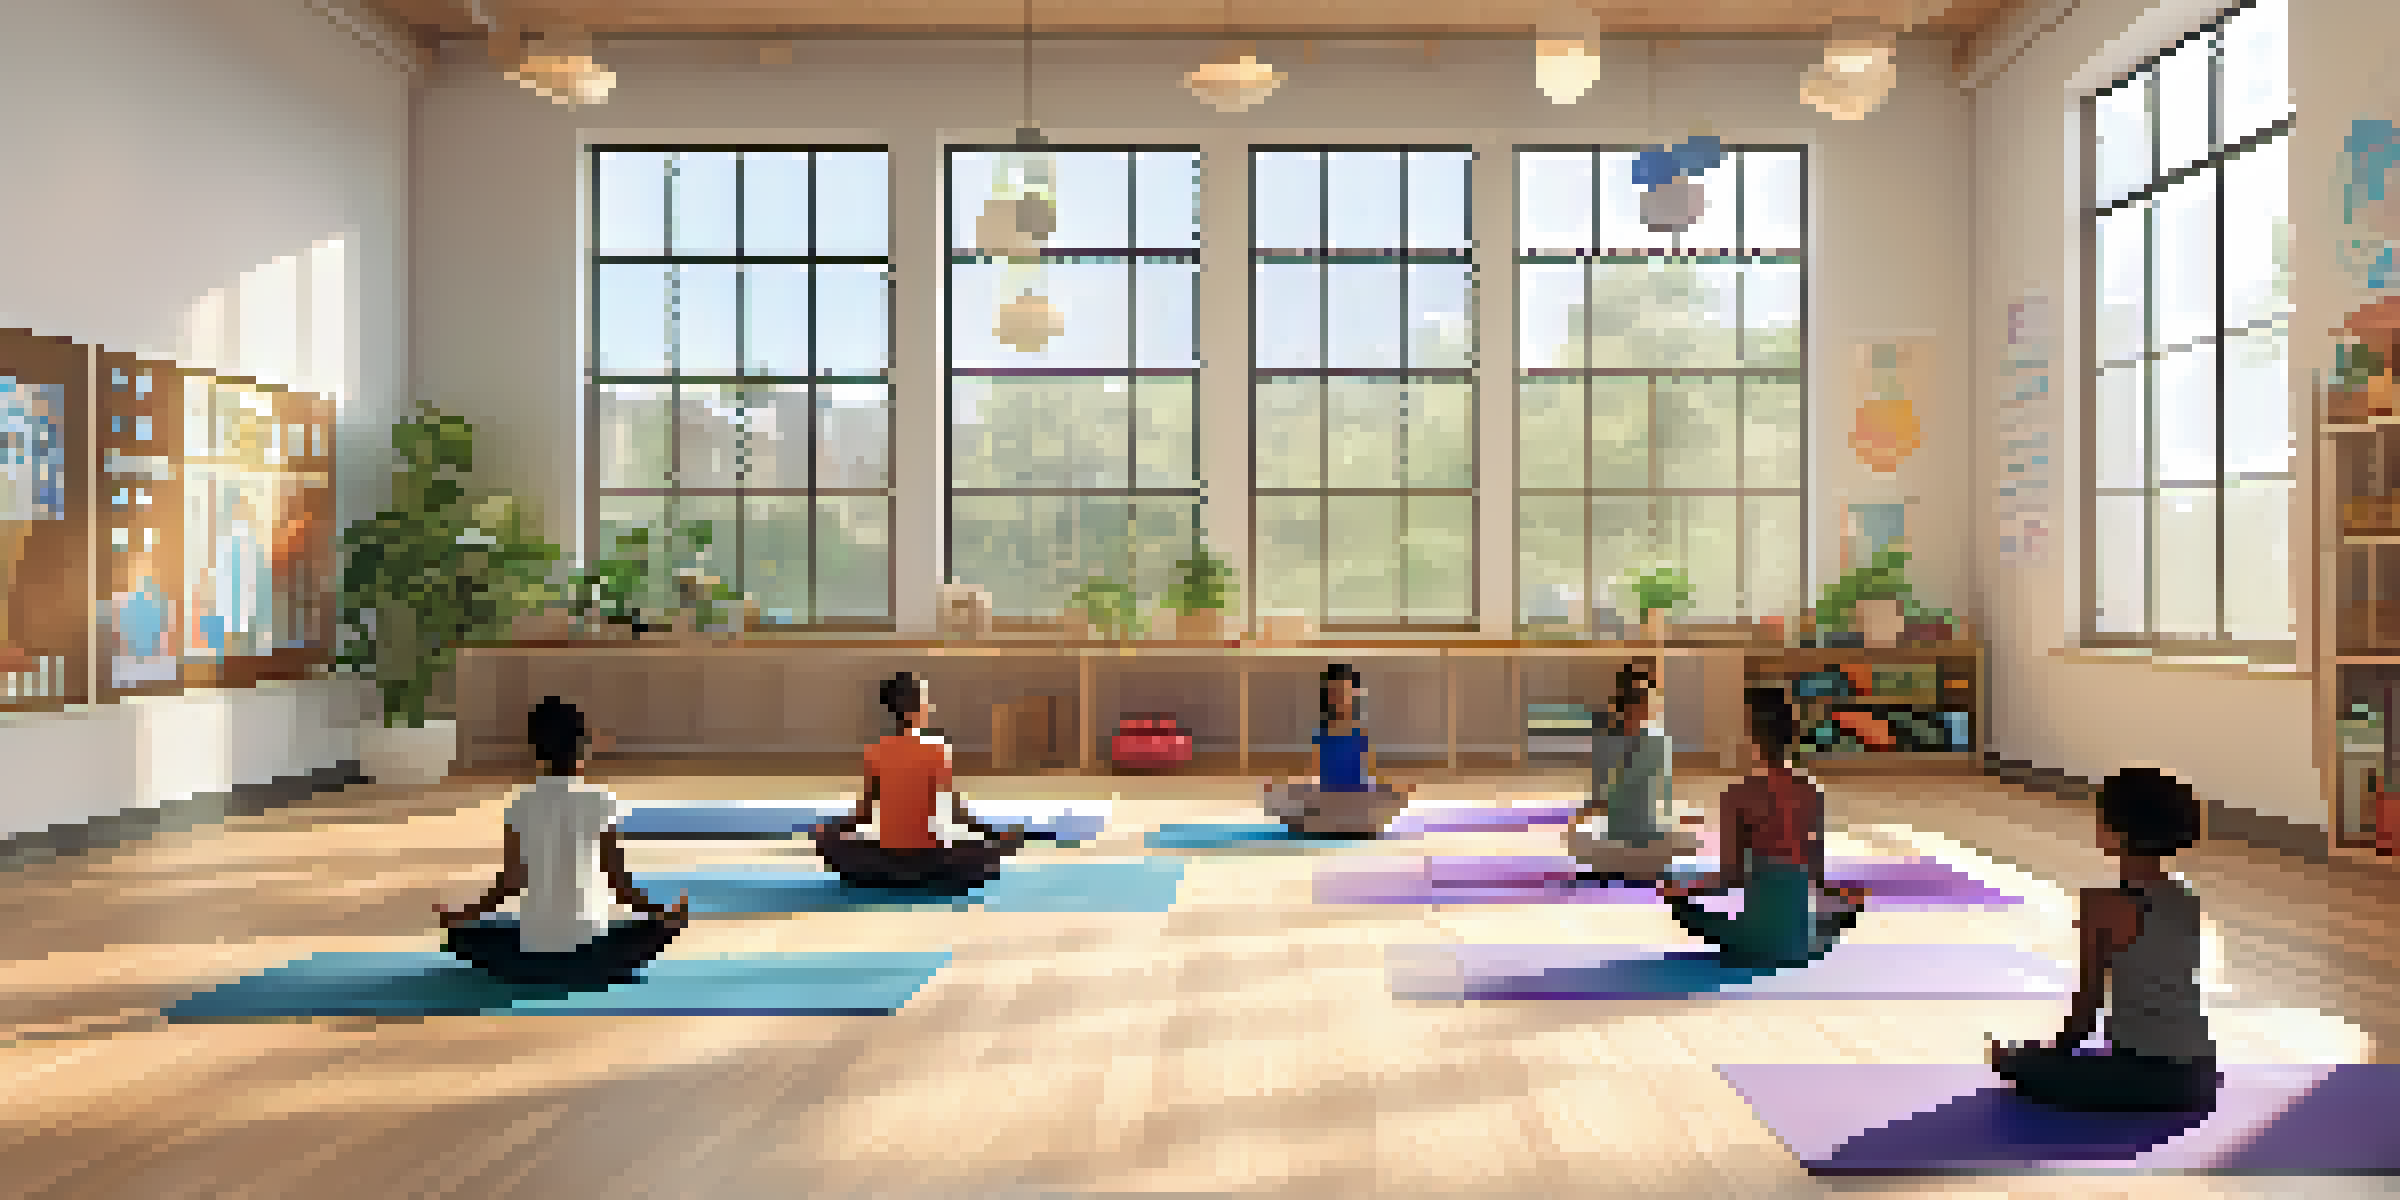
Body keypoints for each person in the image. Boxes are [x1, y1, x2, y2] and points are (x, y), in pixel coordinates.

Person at [1987, 766, 2219, 1112]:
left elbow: (2085, 1012)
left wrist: (2041, 1059)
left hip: (2148, 1079)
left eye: (2101, 818)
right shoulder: (2186, 896)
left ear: (2117, 833)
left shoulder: (2102, 905)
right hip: (2201, 1074)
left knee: (2014, 1062)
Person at [436, 696, 689, 987]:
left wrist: (463, 915)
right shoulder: (602, 802)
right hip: (595, 951)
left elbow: (511, 882)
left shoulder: (520, 805)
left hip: (533, 950)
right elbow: (619, 885)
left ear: (536, 753)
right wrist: (663, 914)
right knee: (658, 928)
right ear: (582, 748)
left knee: (466, 935)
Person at [1659, 687, 1867, 968]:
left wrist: (1682, 888)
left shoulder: (1738, 794)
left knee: (1681, 901)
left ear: (1752, 738)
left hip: (1753, 942)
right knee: (1849, 908)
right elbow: (1816, 879)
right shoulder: (1810, 791)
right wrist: (1845, 895)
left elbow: (1729, 879)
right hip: (1799, 943)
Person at [814, 672, 1024, 892]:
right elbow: (954, 812)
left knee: (825, 838)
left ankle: (890, 875)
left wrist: (832, 831)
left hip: (884, 861)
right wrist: (992, 834)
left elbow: (864, 814)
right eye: (925, 699)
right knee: (990, 850)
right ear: (918, 706)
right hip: (931, 861)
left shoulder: (876, 750)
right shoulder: (937, 748)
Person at [1567, 661, 1703, 883]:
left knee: (1690, 837)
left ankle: (1623, 866)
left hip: (1646, 836)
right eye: (1641, 699)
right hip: (1619, 838)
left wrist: (1682, 817)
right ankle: (1632, 866)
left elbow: (1664, 798)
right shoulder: (1609, 741)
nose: (1646, 706)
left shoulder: (1658, 742)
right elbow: (1600, 795)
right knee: (1581, 839)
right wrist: (1581, 818)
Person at [1263, 663, 1417, 836]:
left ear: (1354, 696)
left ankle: (1339, 824)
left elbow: (1372, 774)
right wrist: (1285, 784)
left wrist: (1395, 786)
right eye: (1335, 694)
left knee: (1388, 795)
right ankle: (1332, 824)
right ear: (1327, 697)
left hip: (1356, 800)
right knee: (1282, 794)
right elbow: (1312, 774)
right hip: (1328, 798)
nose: (1341, 699)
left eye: (1346, 693)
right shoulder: (1321, 735)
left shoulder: (1361, 735)